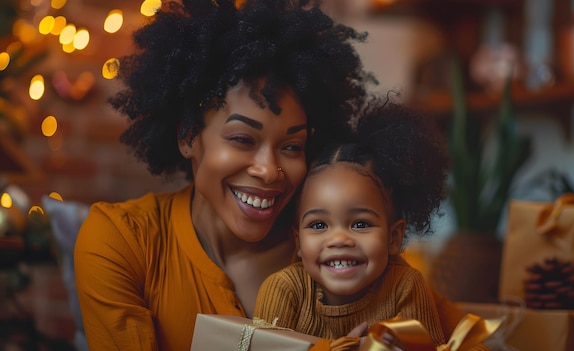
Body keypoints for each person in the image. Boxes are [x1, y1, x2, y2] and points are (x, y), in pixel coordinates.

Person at [73, 0, 375, 350]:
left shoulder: (337, 246)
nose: (269, 170)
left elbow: (447, 329)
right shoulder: (123, 242)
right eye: (243, 139)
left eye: (292, 147)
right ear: (188, 137)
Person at [254, 100, 491, 351]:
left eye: (359, 224)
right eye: (319, 224)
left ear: (393, 237)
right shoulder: (283, 290)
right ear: (298, 241)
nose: (339, 239)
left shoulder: (405, 286)